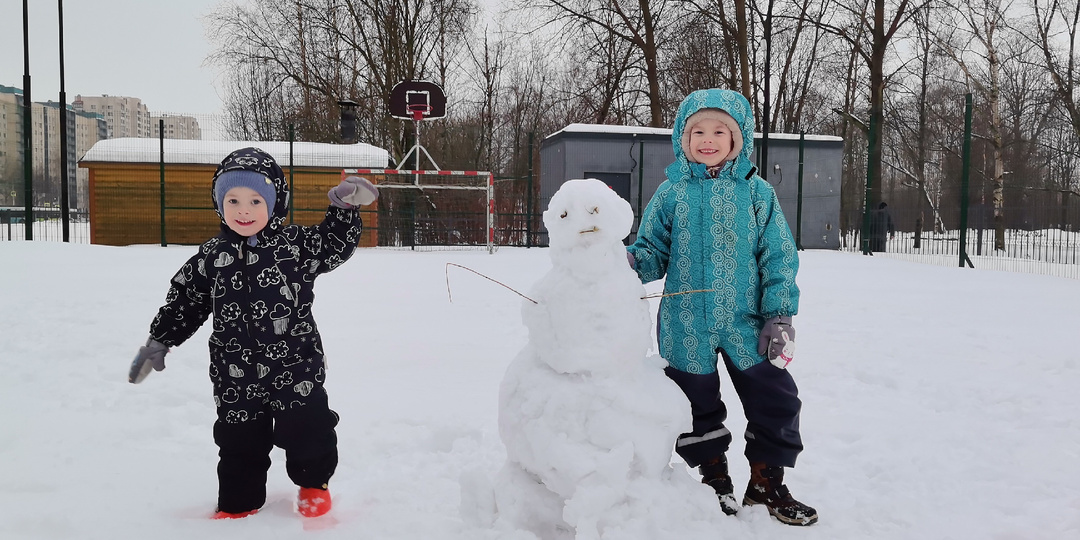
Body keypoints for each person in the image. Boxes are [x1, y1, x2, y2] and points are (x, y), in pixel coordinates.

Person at [127, 147, 378, 520]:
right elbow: (186, 299)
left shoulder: (294, 246)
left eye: (255, 200)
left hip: (295, 367)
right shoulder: (212, 255)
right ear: (219, 204)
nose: (243, 210)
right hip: (234, 373)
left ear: (275, 204)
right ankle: (238, 503)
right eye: (233, 200)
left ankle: (313, 484)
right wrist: (160, 339)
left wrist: (343, 209)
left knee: (307, 427)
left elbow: (332, 244)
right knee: (238, 441)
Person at [627, 89, 817, 526]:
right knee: (694, 405)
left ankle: (766, 482)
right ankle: (713, 479)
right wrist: (624, 265)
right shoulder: (671, 191)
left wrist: (779, 313)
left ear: (738, 138)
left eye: (719, 131)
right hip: (685, 321)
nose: (707, 139)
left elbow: (778, 255)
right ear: (682, 137)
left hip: (747, 321)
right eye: (697, 130)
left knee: (777, 398)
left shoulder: (757, 192)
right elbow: (652, 249)